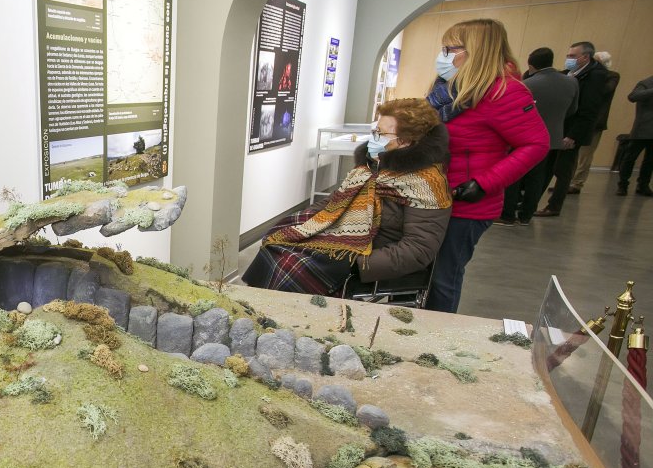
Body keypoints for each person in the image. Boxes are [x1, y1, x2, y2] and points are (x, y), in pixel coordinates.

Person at [242, 98, 451, 296]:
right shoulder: (373, 166)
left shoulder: (428, 185)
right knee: (276, 241)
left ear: (405, 142)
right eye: (374, 131)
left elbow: (418, 250)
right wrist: (304, 223)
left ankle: (287, 319)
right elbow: (336, 202)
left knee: (290, 264)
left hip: (367, 255)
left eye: (381, 134)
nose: (373, 139)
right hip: (340, 238)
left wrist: (358, 264)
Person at [424, 19, 548, 313]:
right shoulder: (449, 89)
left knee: (444, 278)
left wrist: (484, 183)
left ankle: (434, 335)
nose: (444, 55)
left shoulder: (505, 92)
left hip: (465, 204)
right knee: (425, 273)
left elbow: (536, 145)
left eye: (450, 48)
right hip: (433, 195)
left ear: (477, 50)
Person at [499, 48, 578, 225]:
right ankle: (527, 215)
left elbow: (513, 111)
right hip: (552, 138)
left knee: (514, 176)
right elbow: (573, 110)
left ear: (530, 63)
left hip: (523, 137)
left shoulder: (527, 85)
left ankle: (508, 214)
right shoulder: (571, 83)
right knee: (538, 177)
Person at [536, 41, 610, 216]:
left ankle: (554, 206)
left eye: (572, 56)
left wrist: (573, 135)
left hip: (571, 131)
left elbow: (589, 109)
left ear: (586, 57)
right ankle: (532, 202)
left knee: (563, 169)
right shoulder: (570, 74)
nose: (568, 59)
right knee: (547, 166)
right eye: (568, 55)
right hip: (558, 128)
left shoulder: (595, 76)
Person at [569, 52, 620, 193]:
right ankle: (566, 180)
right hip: (577, 119)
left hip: (595, 122)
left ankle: (577, 183)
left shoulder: (611, 76)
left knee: (585, 154)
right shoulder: (579, 74)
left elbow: (603, 91)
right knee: (571, 153)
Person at [618, 75, 653, 196]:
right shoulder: (646, 82)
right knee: (630, 158)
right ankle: (623, 184)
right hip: (642, 129)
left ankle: (643, 185)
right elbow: (632, 96)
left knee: (650, 161)